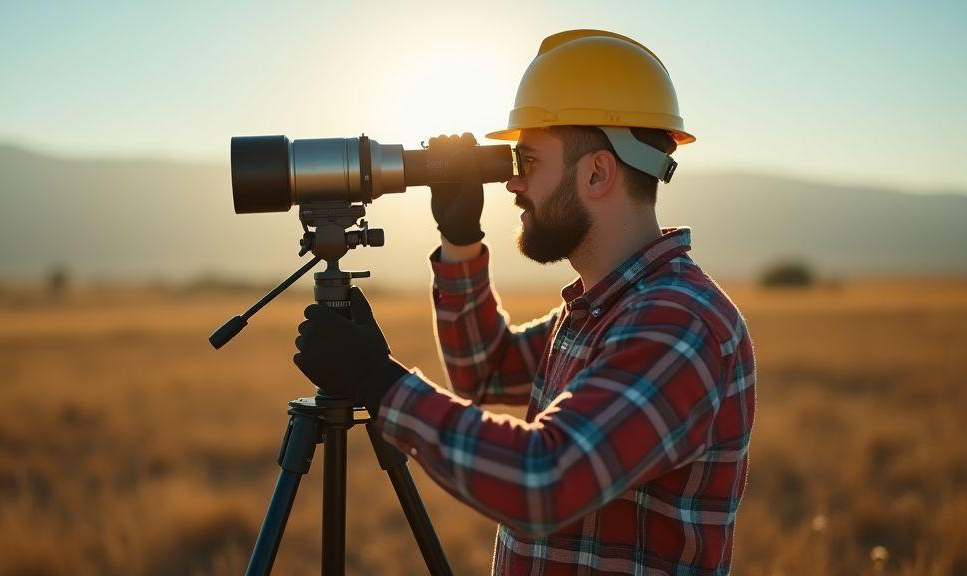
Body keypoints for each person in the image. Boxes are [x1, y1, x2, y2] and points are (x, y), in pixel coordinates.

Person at [294, 29, 756, 575]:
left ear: (598, 173)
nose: (513, 185)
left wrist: (379, 383)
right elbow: (483, 373)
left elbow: (545, 480)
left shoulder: (679, 322)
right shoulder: (601, 311)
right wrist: (461, 236)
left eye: (529, 160)